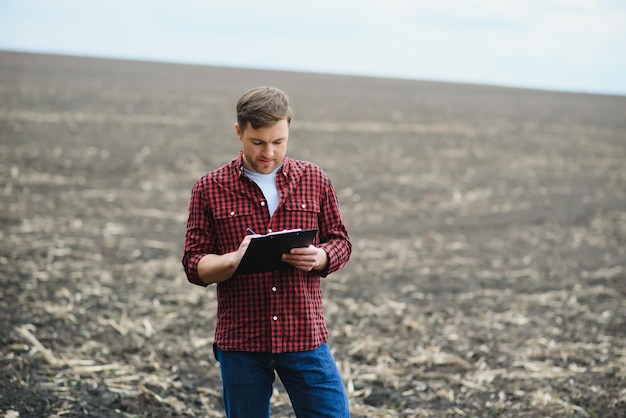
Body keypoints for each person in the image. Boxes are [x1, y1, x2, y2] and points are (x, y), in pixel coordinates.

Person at [182, 86, 352, 418]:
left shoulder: (314, 179)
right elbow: (193, 262)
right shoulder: (208, 188)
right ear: (239, 132)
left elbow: (341, 242)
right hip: (241, 341)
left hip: (303, 334)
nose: (269, 153)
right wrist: (232, 261)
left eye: (279, 142)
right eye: (258, 142)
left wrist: (320, 257)